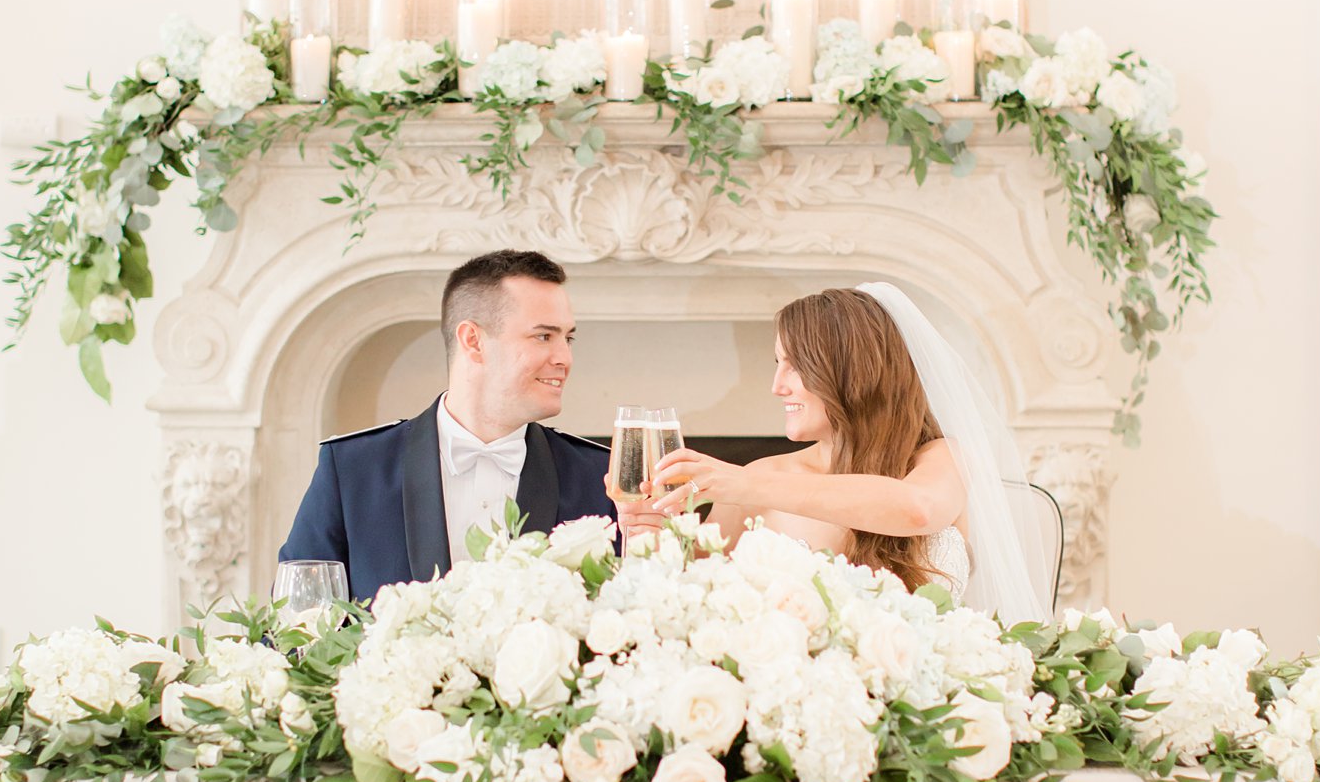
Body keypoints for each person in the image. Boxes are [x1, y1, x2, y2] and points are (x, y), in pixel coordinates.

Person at [651, 281, 1046, 620]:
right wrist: (642, 525)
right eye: (777, 363)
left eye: (796, 366)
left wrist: (743, 483)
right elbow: (688, 601)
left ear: (853, 373)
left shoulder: (944, 458)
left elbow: (916, 509)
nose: (777, 385)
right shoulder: (754, 481)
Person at [279, 249, 617, 602]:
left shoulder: (598, 478)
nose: (565, 357)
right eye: (544, 336)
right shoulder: (352, 470)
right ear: (473, 341)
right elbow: (293, 630)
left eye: (568, 338)